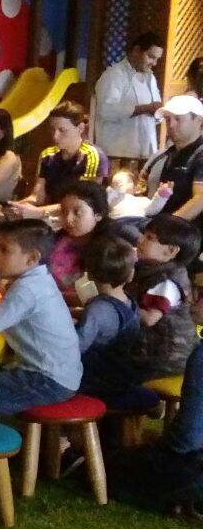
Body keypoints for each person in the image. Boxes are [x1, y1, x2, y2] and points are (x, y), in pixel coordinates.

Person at [82, 215, 201, 398]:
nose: (140, 240)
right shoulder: (151, 270)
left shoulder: (168, 281)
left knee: (99, 367)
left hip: (166, 357)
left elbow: (150, 318)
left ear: (170, 250)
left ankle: (138, 402)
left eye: (150, 238)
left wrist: (119, 301)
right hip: (149, 349)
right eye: (144, 234)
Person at [0, 220, 82, 414]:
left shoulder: (26, 290)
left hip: (46, 380)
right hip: (62, 375)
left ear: (31, 258)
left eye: (4, 250)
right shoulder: (39, 279)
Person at [11, 102, 109, 218]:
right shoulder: (48, 155)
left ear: (80, 128)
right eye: (52, 130)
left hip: (79, 217)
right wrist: (16, 206)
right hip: (51, 214)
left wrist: (39, 212)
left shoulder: (93, 155)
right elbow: (38, 196)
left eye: (62, 130)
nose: (55, 136)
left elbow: (84, 202)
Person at [94, 31, 164, 162]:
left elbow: (156, 113)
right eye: (151, 57)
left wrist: (160, 111)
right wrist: (143, 109)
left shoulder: (151, 78)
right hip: (117, 154)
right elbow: (106, 110)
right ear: (137, 50)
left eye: (157, 59)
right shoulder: (114, 75)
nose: (154, 63)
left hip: (146, 154)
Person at [50, 181, 117, 305]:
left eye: (77, 212)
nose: (68, 219)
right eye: (64, 212)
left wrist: (51, 297)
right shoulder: (55, 241)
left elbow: (99, 296)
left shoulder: (108, 252)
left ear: (98, 215)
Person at [147, 95, 203, 232]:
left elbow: (200, 199)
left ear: (198, 120)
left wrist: (165, 227)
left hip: (187, 235)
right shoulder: (164, 155)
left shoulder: (200, 154)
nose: (171, 125)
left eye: (178, 119)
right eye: (168, 119)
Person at [75, 234, 138, 355]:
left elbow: (78, 346)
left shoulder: (97, 309)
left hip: (98, 363)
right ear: (131, 275)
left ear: (89, 275)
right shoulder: (130, 302)